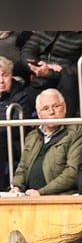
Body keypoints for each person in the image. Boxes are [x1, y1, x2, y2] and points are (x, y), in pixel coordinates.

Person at [9, 88, 82, 196]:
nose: (51, 112)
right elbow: (22, 168)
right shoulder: (32, 136)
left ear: (64, 108)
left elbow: (72, 172)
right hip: (30, 196)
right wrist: (17, 187)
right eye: (45, 108)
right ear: (38, 114)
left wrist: (41, 192)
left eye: (56, 106)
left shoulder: (77, 132)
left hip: (62, 197)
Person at [21, 31, 82, 117]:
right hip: (40, 82)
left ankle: (68, 128)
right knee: (19, 102)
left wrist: (50, 73)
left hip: (69, 86)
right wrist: (39, 65)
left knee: (68, 80)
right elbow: (27, 52)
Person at [0, 55, 33, 189]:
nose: (1, 81)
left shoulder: (21, 96)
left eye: (5, 75)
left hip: (13, 143)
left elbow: (15, 128)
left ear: (11, 75)